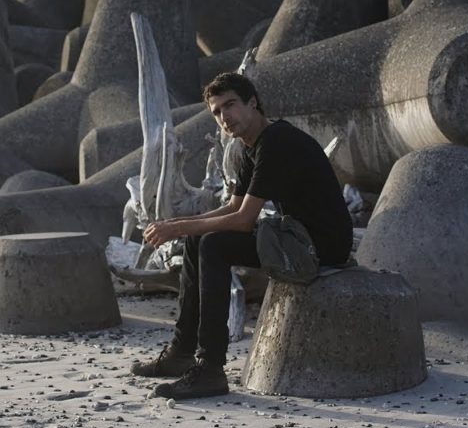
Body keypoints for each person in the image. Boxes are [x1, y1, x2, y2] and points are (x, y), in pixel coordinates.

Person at [133, 72, 353, 400]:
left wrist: (176, 229)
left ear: (253, 103)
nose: (225, 117)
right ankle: (182, 351)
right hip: (294, 237)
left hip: (320, 246)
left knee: (215, 245)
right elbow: (231, 207)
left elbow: (242, 220)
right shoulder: (250, 146)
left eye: (230, 105)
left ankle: (209, 369)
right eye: (217, 112)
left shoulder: (277, 141)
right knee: (199, 238)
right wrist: (179, 223)